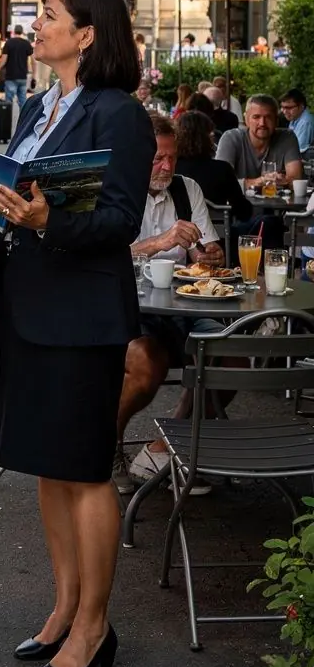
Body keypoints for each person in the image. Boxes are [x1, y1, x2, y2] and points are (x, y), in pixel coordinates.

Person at [0, 0, 154, 667]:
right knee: (48, 467)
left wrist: (48, 220)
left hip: (82, 316)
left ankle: (94, 626)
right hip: (27, 303)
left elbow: (120, 220)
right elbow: (22, 191)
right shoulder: (38, 105)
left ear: (86, 35)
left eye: (49, 16)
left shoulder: (119, 114)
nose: (37, 25)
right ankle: (63, 608)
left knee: (84, 472)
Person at [114, 116, 225, 493]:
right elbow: (100, 259)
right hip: (127, 308)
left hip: (183, 306)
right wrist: (158, 242)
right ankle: (106, 444)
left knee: (233, 356)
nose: (166, 166)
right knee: (147, 364)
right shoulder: (116, 191)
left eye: (171, 158)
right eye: (157, 158)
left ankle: (166, 447)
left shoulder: (186, 188)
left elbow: (205, 250)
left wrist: (209, 255)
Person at [175, 109, 252, 257]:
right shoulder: (222, 169)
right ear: (206, 137)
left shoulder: (173, 169)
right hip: (218, 243)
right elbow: (244, 212)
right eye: (210, 134)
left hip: (178, 241)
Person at [216, 94, 303, 188]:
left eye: (268, 117)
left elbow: (295, 180)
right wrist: (259, 181)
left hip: (276, 197)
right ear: (246, 119)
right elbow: (219, 180)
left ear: (276, 120)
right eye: (256, 117)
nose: (262, 123)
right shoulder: (231, 138)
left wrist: (282, 181)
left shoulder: (287, 137)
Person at [0, 24, 33, 109]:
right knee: (23, 100)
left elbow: (4, 59)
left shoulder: (9, 43)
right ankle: (24, 117)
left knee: (8, 101)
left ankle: (7, 117)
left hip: (11, 76)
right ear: (22, 32)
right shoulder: (26, 43)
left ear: (14, 32)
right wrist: (33, 75)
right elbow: (33, 61)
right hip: (23, 76)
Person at [280, 88, 314, 156]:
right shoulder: (295, 117)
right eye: (283, 107)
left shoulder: (305, 122)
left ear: (301, 106)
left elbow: (296, 150)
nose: (284, 111)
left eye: (289, 108)